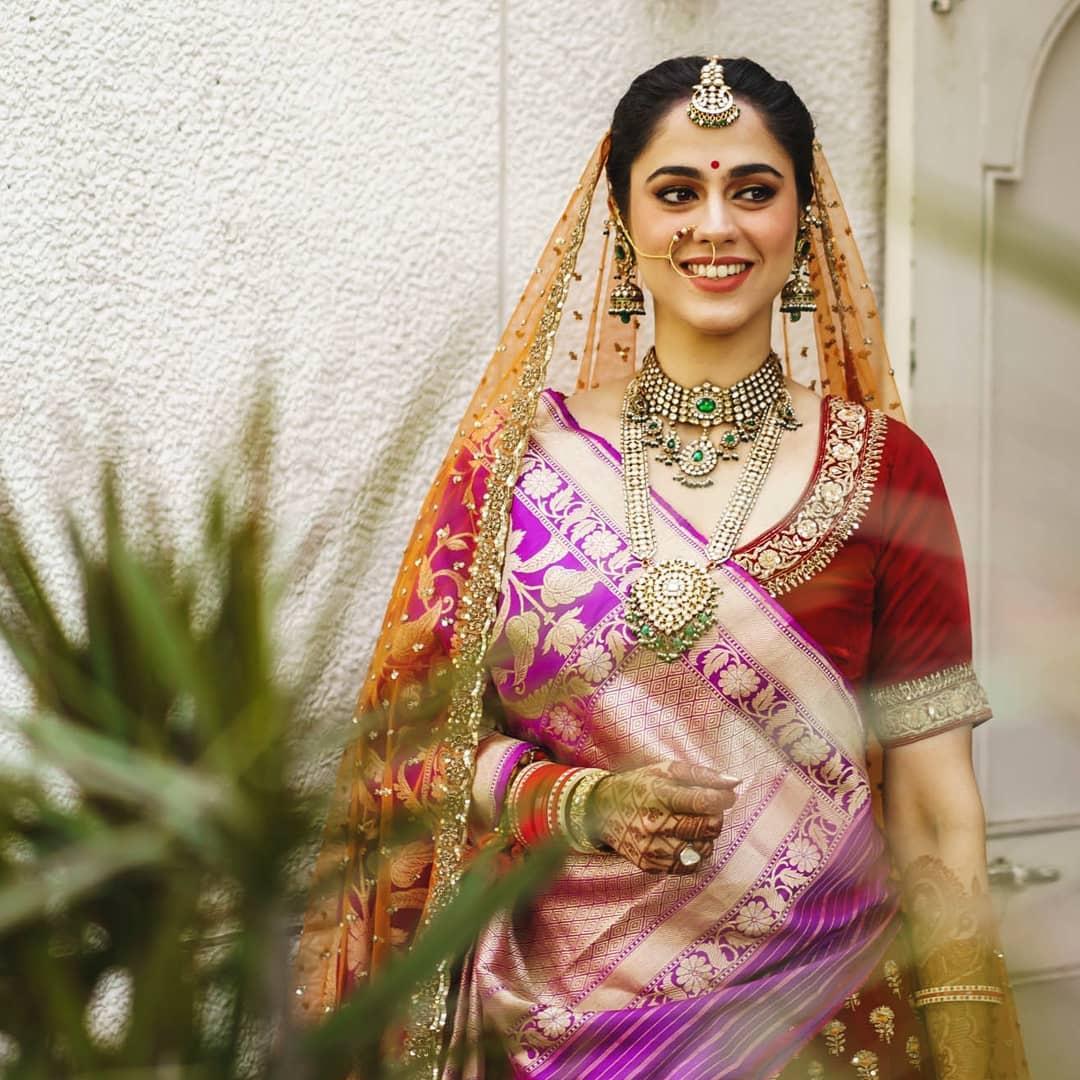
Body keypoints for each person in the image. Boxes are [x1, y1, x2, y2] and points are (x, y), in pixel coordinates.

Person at [294, 56, 1030, 1078]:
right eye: (678, 191)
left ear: (803, 221)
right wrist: (570, 803)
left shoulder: (884, 472)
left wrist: (969, 1056)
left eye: (755, 190)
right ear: (624, 218)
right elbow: (406, 749)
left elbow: (938, 811)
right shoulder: (513, 469)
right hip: (550, 1032)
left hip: (815, 1026)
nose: (716, 225)